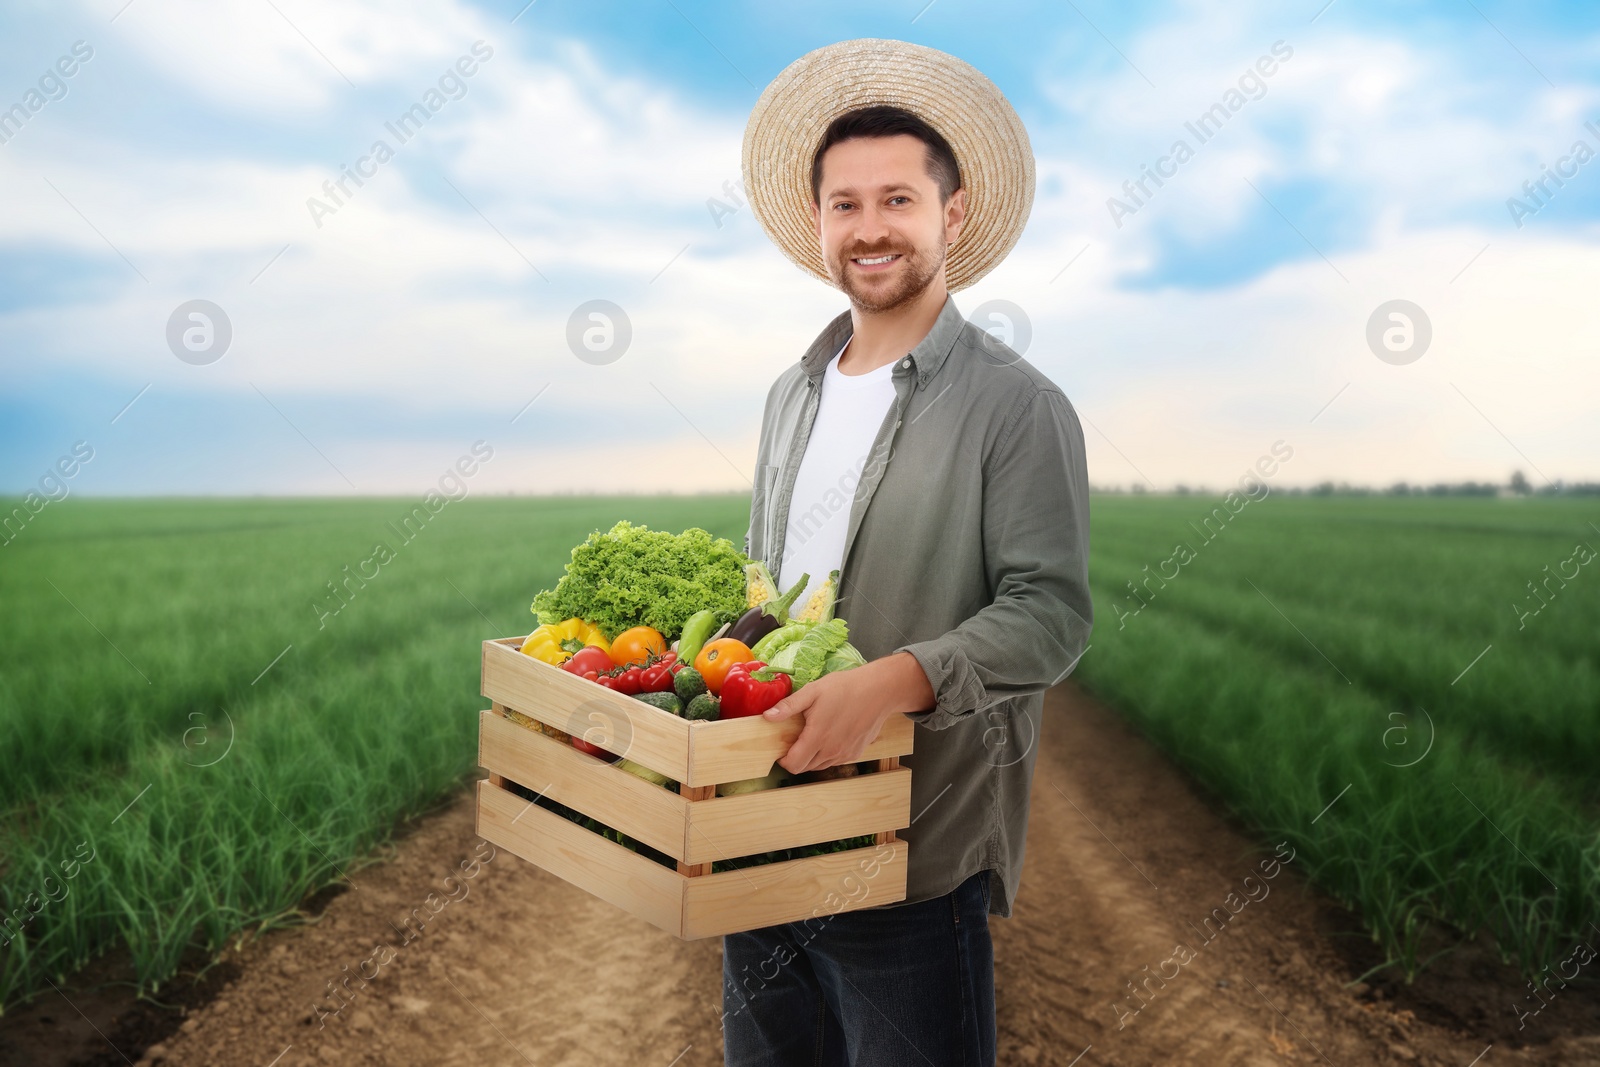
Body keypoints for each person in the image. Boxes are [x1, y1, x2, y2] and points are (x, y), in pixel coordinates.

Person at [723, 39, 1094, 1067]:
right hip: (760, 830)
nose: (869, 228)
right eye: (845, 204)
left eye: (897, 199)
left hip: (906, 851)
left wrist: (894, 680)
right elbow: (768, 590)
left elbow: (1051, 612)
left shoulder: (1016, 407)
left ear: (952, 214)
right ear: (817, 222)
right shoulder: (789, 395)